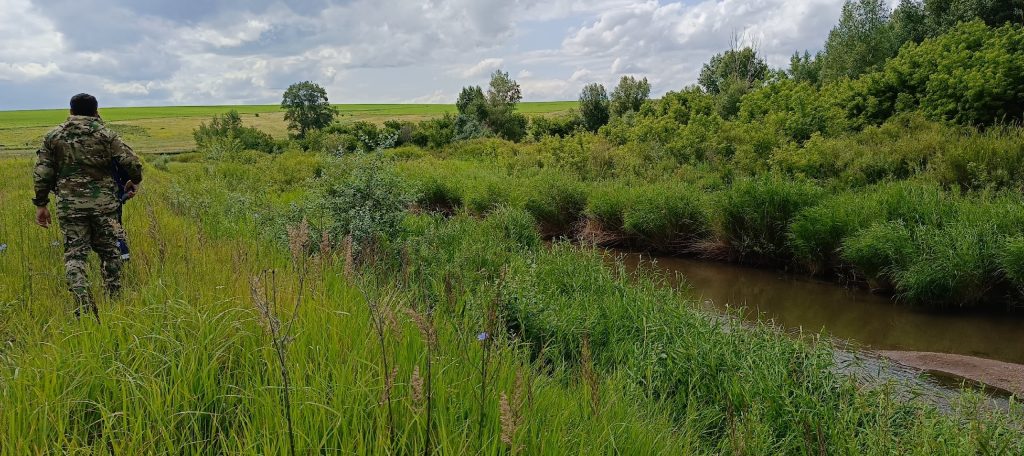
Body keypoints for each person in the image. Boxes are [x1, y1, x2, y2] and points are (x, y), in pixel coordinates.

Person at [33, 93, 143, 318]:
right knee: (110, 252)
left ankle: (82, 302)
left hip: (70, 206)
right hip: (105, 205)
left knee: (75, 255)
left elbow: (42, 173)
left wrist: (41, 204)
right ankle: (114, 300)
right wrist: (135, 181)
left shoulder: (54, 136)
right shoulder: (106, 134)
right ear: (96, 111)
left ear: (70, 111)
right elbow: (131, 162)